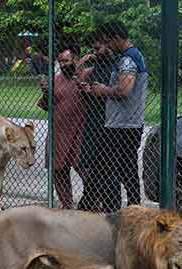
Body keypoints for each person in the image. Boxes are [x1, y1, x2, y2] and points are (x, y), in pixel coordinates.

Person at [80, 21, 148, 212]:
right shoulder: (134, 56)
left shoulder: (127, 59)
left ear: (117, 39)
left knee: (102, 170)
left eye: (108, 42)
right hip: (125, 125)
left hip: (122, 126)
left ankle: (85, 210)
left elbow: (125, 90)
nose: (108, 46)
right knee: (119, 170)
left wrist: (103, 90)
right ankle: (128, 209)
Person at [37, 44, 90, 209]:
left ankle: (92, 203)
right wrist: (47, 93)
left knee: (86, 171)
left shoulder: (86, 75)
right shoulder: (55, 80)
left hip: (80, 131)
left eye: (66, 60)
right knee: (58, 171)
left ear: (75, 59)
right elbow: (46, 106)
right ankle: (67, 205)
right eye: (60, 61)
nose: (62, 64)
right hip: (58, 133)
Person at [77, 29, 117, 212]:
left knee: (108, 172)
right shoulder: (96, 65)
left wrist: (101, 90)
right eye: (93, 48)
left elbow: (119, 92)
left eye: (98, 47)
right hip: (94, 120)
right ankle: (88, 206)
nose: (95, 51)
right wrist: (87, 90)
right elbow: (90, 91)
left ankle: (109, 209)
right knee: (94, 168)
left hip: (109, 123)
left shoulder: (117, 65)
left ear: (108, 43)